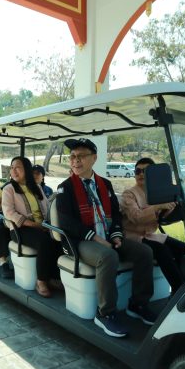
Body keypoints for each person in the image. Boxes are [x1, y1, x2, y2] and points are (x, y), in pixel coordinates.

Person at [56, 138, 154, 338]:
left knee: (144, 252)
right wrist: (95, 238)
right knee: (108, 256)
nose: (75, 160)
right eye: (72, 156)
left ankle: (138, 304)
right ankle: (105, 313)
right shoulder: (65, 187)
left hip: (107, 236)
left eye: (81, 156)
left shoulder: (105, 184)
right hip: (81, 241)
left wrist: (116, 235)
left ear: (94, 158)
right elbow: (66, 222)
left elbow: (115, 214)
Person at [121, 157, 185, 295]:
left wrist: (180, 206)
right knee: (162, 250)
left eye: (145, 171)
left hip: (150, 235)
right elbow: (136, 217)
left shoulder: (158, 193)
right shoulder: (129, 194)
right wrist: (157, 207)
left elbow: (164, 217)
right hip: (133, 237)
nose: (141, 174)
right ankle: (179, 289)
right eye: (138, 171)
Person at [2, 156, 63, 298]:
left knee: (59, 240)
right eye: (12, 168)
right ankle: (41, 281)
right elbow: (9, 212)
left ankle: (53, 277)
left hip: (41, 226)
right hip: (20, 229)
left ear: (27, 170)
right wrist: (34, 225)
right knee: (44, 241)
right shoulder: (9, 189)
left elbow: (47, 207)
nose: (14, 171)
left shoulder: (37, 187)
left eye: (18, 167)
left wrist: (48, 224)